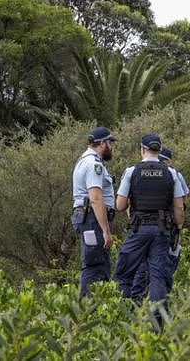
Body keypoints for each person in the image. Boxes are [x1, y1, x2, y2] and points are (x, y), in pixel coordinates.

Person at [113, 134, 185, 310]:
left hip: (139, 229)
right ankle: (157, 323)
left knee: (124, 272)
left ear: (142, 149)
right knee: (158, 276)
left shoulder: (132, 171)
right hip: (162, 230)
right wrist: (177, 229)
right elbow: (179, 208)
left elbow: (120, 205)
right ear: (159, 151)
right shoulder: (171, 173)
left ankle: (124, 314)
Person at [130, 147, 189, 301]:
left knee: (142, 270)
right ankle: (160, 310)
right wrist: (178, 228)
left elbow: (129, 203)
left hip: (143, 228)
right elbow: (182, 205)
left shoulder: (138, 172)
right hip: (166, 229)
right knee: (162, 271)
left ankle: (137, 307)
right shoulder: (174, 174)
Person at [71, 126, 118, 298]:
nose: (111, 147)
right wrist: (106, 231)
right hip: (91, 219)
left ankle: (96, 311)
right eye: (110, 143)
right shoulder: (93, 164)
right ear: (102, 143)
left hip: (89, 218)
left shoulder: (86, 160)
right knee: (94, 266)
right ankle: (87, 314)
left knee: (100, 265)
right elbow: (96, 198)